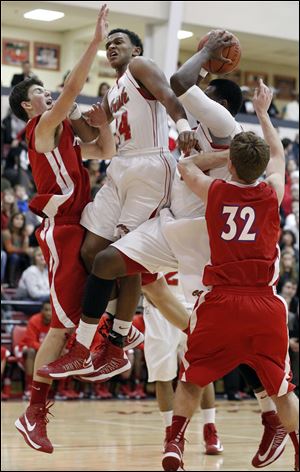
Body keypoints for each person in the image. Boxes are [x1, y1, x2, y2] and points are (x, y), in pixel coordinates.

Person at [38, 31, 289, 466]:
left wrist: (205, 55)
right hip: (173, 224)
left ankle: (269, 416)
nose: (198, 97)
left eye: (205, 94)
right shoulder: (203, 125)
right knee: (107, 261)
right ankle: (107, 346)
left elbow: (178, 83)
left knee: (227, 342)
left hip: (209, 241)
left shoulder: (225, 127)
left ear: (217, 104)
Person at [37, 26, 198, 380]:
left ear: (135, 48)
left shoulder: (140, 67)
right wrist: (75, 114)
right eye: (108, 44)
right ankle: (121, 333)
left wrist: (183, 124)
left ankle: (109, 344)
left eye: (118, 42)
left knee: (126, 259)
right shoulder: (112, 92)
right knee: (91, 249)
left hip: (151, 166)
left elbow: (170, 95)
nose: (111, 47)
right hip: (120, 168)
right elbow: (94, 136)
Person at [162, 79, 299, 472]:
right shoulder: (273, 192)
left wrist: (222, 159)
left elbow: (186, 165)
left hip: (220, 300)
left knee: (191, 379)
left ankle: (174, 442)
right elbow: (276, 153)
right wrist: (261, 111)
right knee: (282, 390)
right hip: (264, 304)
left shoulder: (217, 191)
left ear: (233, 165)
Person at [9, 4, 116, 454]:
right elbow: (72, 86)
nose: (47, 93)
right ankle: (33, 413)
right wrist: (95, 43)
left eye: (45, 89)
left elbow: (105, 148)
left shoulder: (65, 130)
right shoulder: (39, 129)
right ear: (25, 106)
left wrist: (101, 119)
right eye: (38, 90)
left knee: (122, 264)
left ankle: (114, 340)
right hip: (62, 229)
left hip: (84, 219)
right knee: (60, 325)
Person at [142, 272, 223, 455]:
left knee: (202, 370)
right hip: (158, 307)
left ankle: (210, 429)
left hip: (194, 305)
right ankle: (171, 434)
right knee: (162, 375)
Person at [14, 301, 52, 399]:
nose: (49, 313)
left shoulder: (56, 323)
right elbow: (30, 342)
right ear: (41, 311)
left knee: (64, 353)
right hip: (24, 347)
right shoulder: (34, 320)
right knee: (31, 351)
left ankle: (60, 390)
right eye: (46, 309)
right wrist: (47, 350)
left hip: (42, 350)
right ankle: (29, 388)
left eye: (51, 310)